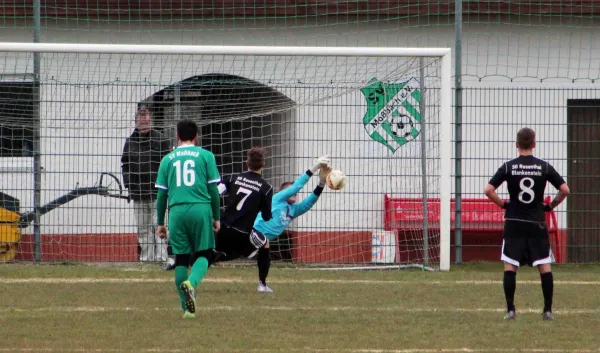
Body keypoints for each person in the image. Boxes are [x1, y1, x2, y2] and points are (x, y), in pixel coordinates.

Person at [484, 127, 570, 321]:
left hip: (514, 222)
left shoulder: (508, 167)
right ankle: (547, 311)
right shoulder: (544, 167)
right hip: (536, 222)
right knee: (544, 266)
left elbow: (488, 189)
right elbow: (565, 189)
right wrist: (550, 206)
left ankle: (511, 310)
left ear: (516, 145)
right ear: (534, 144)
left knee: (510, 266)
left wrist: (503, 204)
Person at [155, 119, 221, 319]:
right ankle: (191, 284)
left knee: (181, 258)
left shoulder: (168, 159)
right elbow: (213, 190)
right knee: (206, 253)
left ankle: (187, 310)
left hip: (176, 211)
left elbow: (161, 195)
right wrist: (216, 216)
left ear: (177, 136)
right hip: (200, 209)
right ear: (196, 137)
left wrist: (160, 223)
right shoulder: (206, 156)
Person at [250, 156, 331, 292]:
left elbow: (309, 202)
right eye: (292, 192)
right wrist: (314, 167)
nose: (295, 194)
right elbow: (296, 186)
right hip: (252, 232)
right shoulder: (277, 199)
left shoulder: (293, 210)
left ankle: (262, 285)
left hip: (259, 239)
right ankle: (262, 285)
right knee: (264, 247)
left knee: (225, 255)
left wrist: (321, 182)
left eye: (296, 194)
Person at [121, 108, 171, 262]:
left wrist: (166, 186)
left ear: (151, 122)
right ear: (136, 123)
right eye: (142, 122)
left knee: (160, 225)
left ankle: (161, 257)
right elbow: (125, 164)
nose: (145, 125)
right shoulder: (130, 141)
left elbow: (168, 164)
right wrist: (129, 184)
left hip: (158, 192)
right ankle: (146, 258)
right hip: (138, 192)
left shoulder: (161, 140)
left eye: (147, 122)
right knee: (142, 228)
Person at [213, 147, 274, 265]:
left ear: (246, 163)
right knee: (264, 243)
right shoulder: (266, 188)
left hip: (224, 228)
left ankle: (211, 256)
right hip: (243, 233)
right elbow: (266, 217)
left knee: (210, 250)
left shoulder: (232, 178)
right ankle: (262, 283)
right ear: (263, 164)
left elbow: (215, 195)